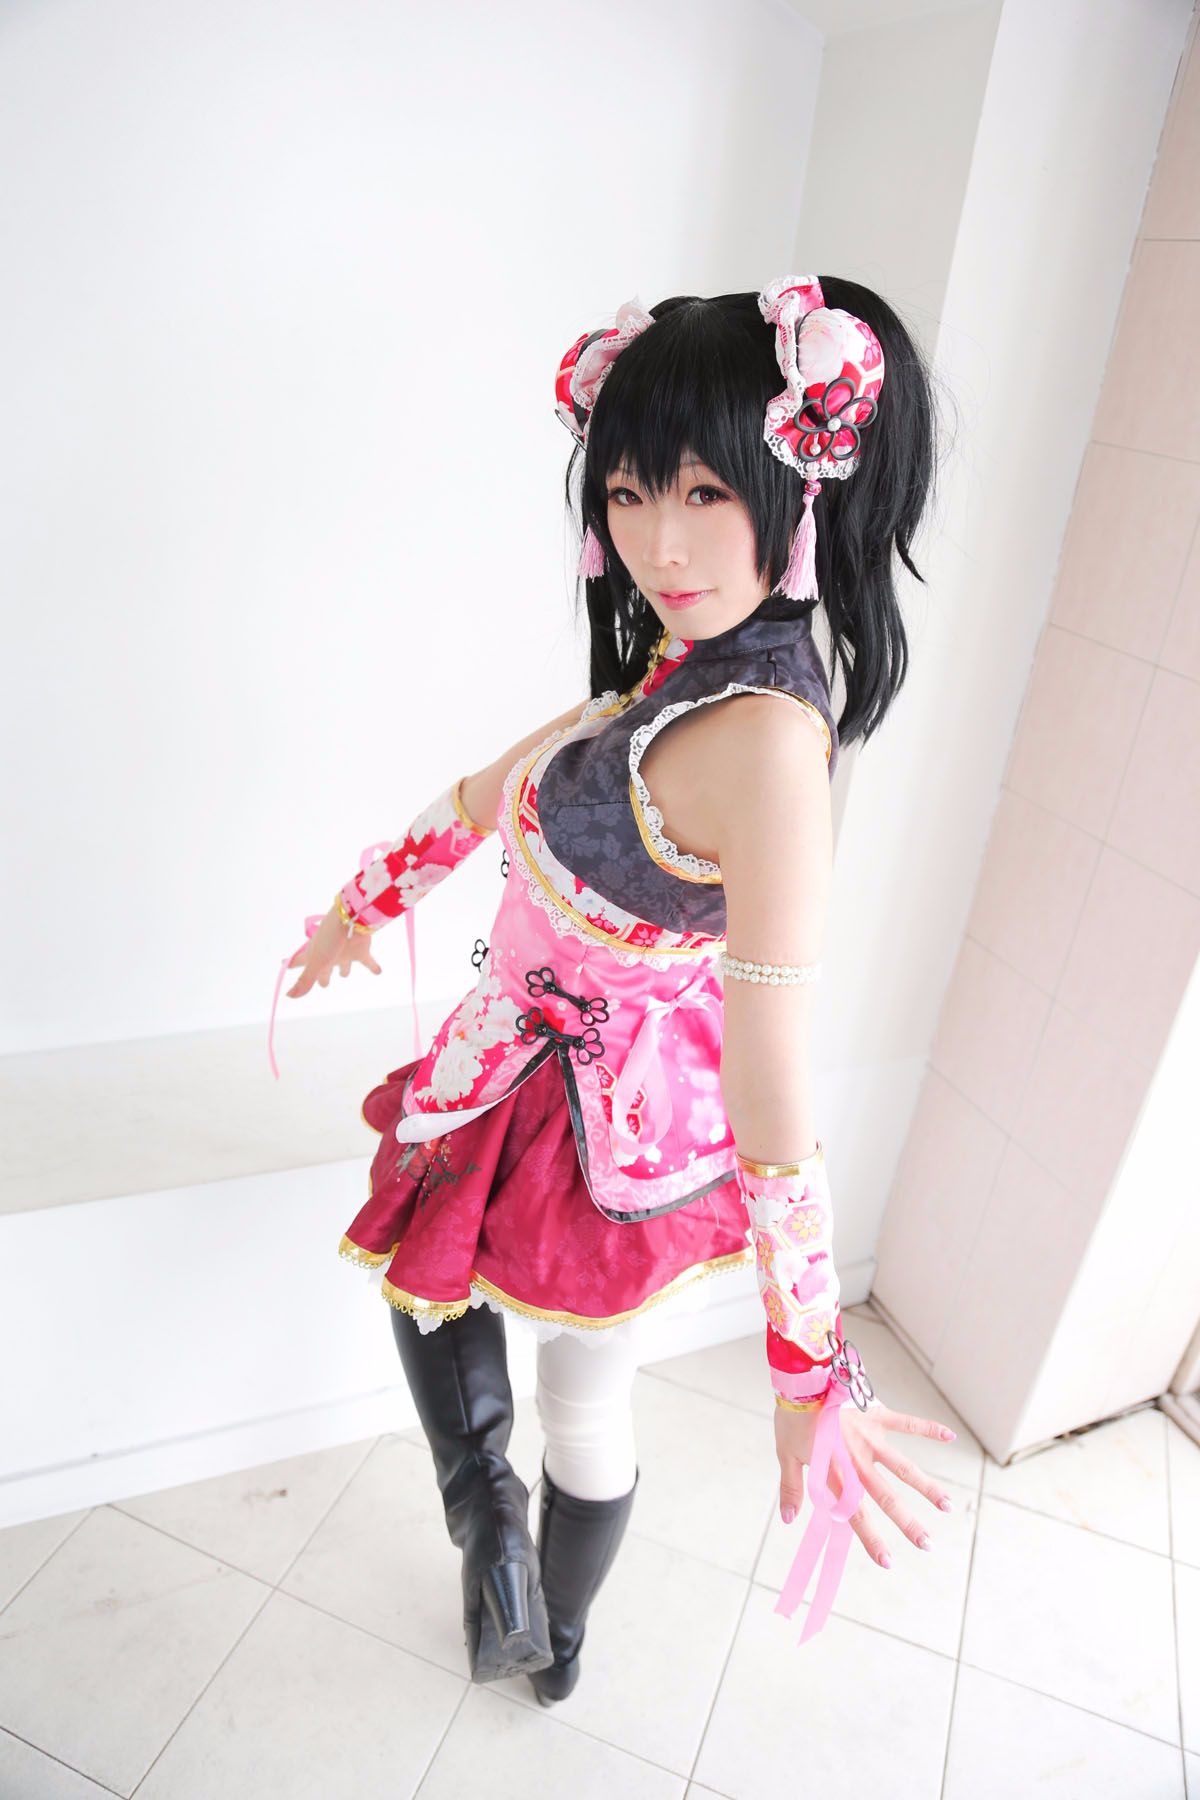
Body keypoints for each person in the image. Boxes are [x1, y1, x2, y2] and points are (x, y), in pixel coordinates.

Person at [280, 274, 958, 1698]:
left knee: (562, 1382)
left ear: (802, 485)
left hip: (608, 1114)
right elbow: (496, 787)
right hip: (520, 1059)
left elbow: (776, 1074)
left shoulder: (767, 742)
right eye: (634, 492)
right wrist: (360, 906)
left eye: (707, 492)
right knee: (460, 1303)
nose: (659, 541)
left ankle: (536, 1597)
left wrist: (809, 1365)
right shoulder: (679, 664)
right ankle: (508, 1554)